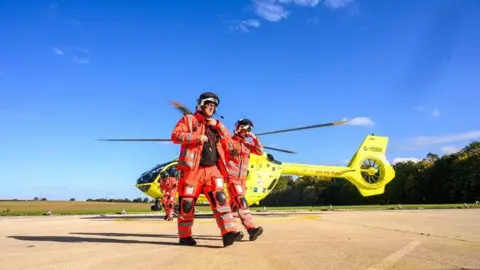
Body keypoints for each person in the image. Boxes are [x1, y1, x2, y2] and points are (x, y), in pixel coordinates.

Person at [170, 92, 242, 247]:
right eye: (209, 104)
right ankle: (185, 236)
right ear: (201, 105)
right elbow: (175, 136)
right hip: (192, 171)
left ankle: (229, 232)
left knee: (221, 200)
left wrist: (219, 127)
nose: (211, 108)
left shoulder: (216, 126)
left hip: (213, 170)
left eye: (214, 106)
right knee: (186, 204)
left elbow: (232, 145)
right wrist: (195, 137)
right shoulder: (188, 120)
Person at [223, 118, 264, 241]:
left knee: (234, 207)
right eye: (241, 127)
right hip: (232, 178)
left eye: (246, 129)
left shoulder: (247, 144)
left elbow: (260, 151)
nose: (243, 130)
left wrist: (255, 138)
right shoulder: (229, 141)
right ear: (236, 128)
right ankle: (251, 228)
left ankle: (230, 232)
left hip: (242, 180)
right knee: (241, 202)